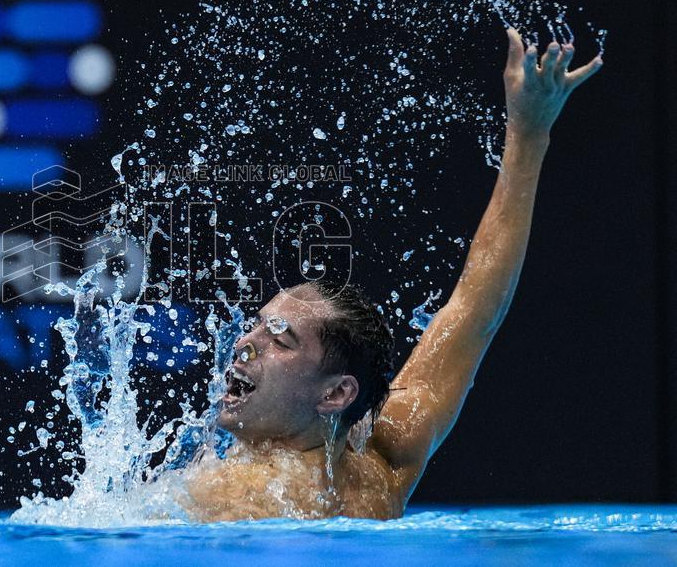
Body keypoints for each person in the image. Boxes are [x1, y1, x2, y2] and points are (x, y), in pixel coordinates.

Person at [179, 28, 603, 521]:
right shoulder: (384, 463)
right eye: (258, 324)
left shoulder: (219, 497)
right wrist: (529, 136)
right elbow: (472, 311)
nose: (245, 344)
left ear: (336, 393)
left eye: (283, 339)